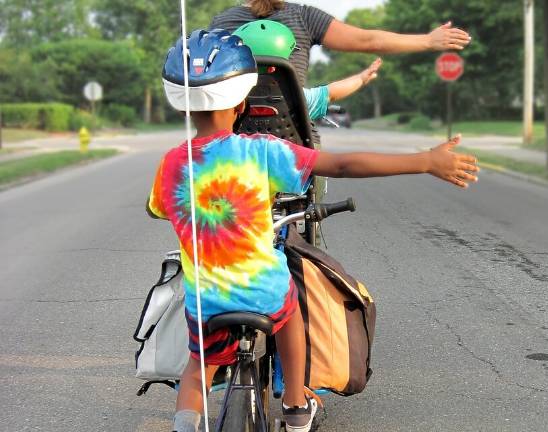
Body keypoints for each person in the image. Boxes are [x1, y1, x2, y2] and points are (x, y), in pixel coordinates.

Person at [153, 29, 478, 432]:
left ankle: (185, 424)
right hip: (263, 291)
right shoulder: (262, 152)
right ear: (242, 103)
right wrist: (425, 161)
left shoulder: (171, 164)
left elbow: (159, 209)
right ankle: (294, 404)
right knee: (290, 310)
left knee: (197, 367)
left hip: (205, 299)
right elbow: (342, 165)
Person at [210, 0, 472, 87]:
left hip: (233, 135)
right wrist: (427, 41)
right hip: (294, 137)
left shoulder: (220, 23)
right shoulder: (303, 16)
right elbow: (368, 40)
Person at [232, 19, 382, 121]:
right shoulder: (296, 97)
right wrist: (362, 78)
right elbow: (332, 93)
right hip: (290, 165)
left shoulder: (226, 97)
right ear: (276, 65)